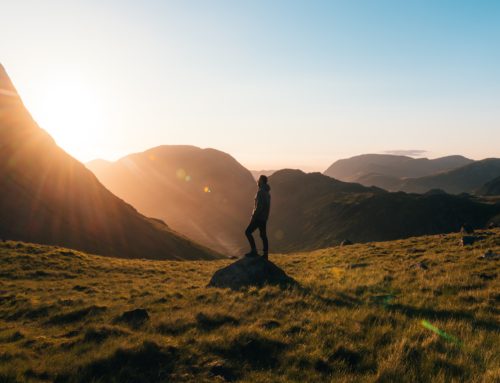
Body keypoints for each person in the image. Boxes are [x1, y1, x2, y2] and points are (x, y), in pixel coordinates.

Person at [245, 175, 271, 259]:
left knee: (248, 232)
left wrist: (253, 216)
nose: (258, 181)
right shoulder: (267, 193)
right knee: (263, 235)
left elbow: (259, 207)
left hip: (258, 217)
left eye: (259, 180)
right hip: (264, 218)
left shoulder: (260, 192)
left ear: (262, 181)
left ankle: (254, 251)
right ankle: (265, 254)